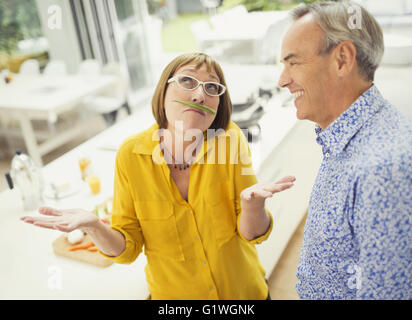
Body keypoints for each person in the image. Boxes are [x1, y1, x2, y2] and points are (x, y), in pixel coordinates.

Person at [21, 53, 295, 300]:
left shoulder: (230, 140)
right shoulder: (131, 155)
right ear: (163, 91)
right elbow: (127, 249)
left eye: (212, 87)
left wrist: (252, 206)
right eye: (187, 81)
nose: (200, 96)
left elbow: (251, 234)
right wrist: (95, 226)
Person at [278, 1, 412, 299]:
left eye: (293, 62)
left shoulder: (381, 170)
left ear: (342, 59)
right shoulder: (348, 135)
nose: (282, 80)